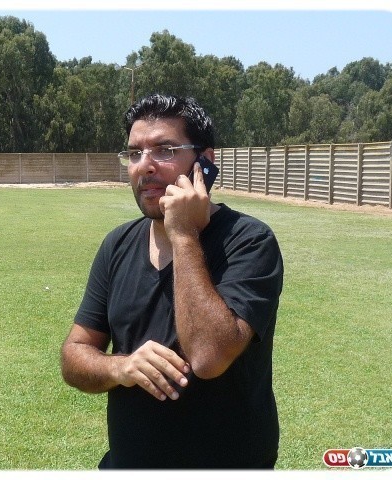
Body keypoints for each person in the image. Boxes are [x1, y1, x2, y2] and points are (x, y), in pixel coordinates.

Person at [60, 93, 284, 469]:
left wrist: (183, 234)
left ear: (204, 162)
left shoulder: (249, 241)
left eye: (165, 150)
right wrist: (120, 367)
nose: (144, 166)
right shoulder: (117, 244)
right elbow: (74, 355)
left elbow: (208, 358)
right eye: (134, 153)